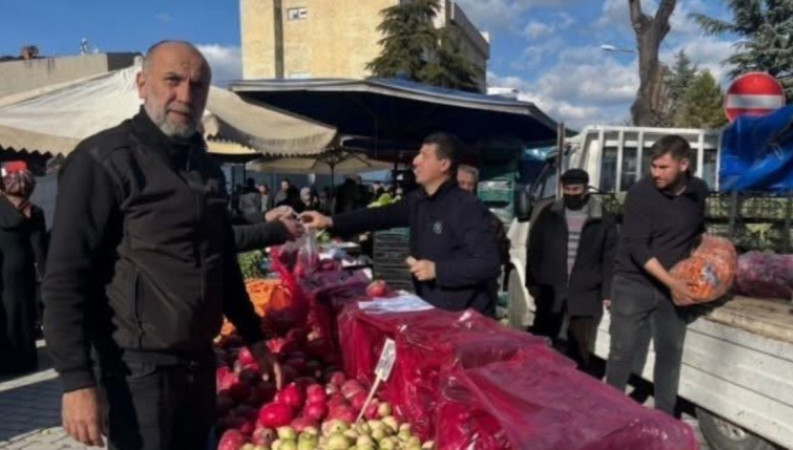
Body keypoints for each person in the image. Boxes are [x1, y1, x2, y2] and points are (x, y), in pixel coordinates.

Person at [42, 40, 287, 449]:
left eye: (198, 85)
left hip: (199, 364)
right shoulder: (103, 160)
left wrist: (254, 336)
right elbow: (64, 278)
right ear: (142, 85)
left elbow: (223, 263)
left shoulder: (206, 168)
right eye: (172, 80)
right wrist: (76, 380)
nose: (185, 95)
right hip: (136, 370)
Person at [302, 133, 501, 316]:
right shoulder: (418, 200)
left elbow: (488, 264)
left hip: (468, 318)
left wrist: (438, 270)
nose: (415, 161)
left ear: (444, 164)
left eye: (424, 156)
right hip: (432, 310)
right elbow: (380, 215)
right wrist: (330, 221)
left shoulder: (467, 206)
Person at [605, 135, 708, 416]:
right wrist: (674, 284)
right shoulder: (641, 194)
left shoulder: (698, 191)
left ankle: (665, 415)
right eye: (653, 166)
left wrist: (710, 257)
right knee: (621, 350)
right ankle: (610, 412)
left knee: (670, 352)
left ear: (683, 165)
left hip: (671, 287)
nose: (656, 173)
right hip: (633, 284)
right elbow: (638, 249)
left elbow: (697, 232)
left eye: (663, 167)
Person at [525, 169, 617, 374]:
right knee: (542, 340)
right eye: (567, 189)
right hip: (551, 289)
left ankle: (576, 384)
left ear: (585, 190)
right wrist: (532, 283)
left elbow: (610, 257)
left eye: (575, 189)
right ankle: (537, 378)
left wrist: (607, 291)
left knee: (579, 346)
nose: (571, 193)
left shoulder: (602, 218)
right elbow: (534, 250)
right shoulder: (549, 214)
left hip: (585, 290)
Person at [0, 162, 48, 376]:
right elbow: (40, 250)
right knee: (24, 313)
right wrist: (46, 277)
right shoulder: (34, 211)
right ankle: (25, 362)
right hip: (23, 269)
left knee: (5, 316)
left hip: (2, 268)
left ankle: (5, 363)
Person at [456, 165, 511, 299]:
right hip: (450, 289)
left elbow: (502, 252)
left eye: (470, 184)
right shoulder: (441, 216)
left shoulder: (490, 220)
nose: (466, 188)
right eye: (461, 183)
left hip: (480, 290)